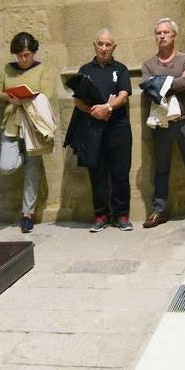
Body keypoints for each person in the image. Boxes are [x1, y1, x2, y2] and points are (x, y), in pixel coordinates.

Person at [141, 18, 185, 228]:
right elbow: (148, 87)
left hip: (184, 123)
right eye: (158, 33)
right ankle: (159, 210)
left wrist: (160, 82)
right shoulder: (148, 64)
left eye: (166, 32)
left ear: (174, 35)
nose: (162, 36)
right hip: (160, 125)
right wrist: (174, 81)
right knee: (161, 168)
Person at [0, 32, 58, 233]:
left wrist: (26, 98)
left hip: (33, 126)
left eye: (28, 54)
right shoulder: (7, 69)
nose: (24, 59)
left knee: (32, 171)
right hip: (12, 124)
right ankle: (22, 154)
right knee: (6, 165)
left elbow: (47, 94)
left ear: (33, 53)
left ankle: (27, 215)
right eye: (21, 55)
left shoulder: (42, 69)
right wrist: (9, 97)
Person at [70, 31, 132, 231]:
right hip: (92, 130)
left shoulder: (120, 69)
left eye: (108, 45)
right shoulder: (85, 70)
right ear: (94, 45)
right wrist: (93, 111)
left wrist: (108, 108)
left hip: (119, 129)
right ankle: (101, 215)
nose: (103, 48)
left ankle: (121, 216)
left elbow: (124, 95)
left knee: (120, 173)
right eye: (100, 44)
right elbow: (78, 100)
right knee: (97, 174)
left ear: (114, 47)